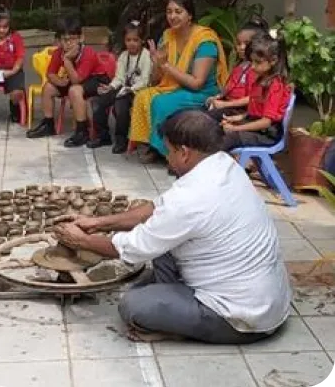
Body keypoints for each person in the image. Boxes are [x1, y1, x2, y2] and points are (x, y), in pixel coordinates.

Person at [54, 110, 291, 344]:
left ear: (185, 153)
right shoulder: (224, 166)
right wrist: (98, 223)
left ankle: (182, 327)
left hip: (242, 318)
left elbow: (132, 248)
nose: (167, 158)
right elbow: (157, 209)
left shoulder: (192, 198)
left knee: (134, 305)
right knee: (162, 245)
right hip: (268, 301)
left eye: (169, 151)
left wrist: (81, 241)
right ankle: (176, 303)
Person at [129, 0, 229, 164]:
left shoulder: (204, 41)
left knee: (161, 102)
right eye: (169, 12)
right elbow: (156, 80)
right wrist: (157, 64)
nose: (172, 16)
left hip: (203, 92)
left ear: (189, 15)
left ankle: (165, 151)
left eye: (178, 11)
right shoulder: (168, 36)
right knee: (143, 96)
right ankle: (152, 144)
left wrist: (166, 65)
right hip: (175, 87)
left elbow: (197, 83)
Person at [26, 16, 110, 145]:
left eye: (73, 39)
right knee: (48, 87)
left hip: (96, 79)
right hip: (74, 79)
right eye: (65, 40)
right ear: (59, 41)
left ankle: (82, 131)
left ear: (81, 38)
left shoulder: (88, 53)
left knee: (74, 90)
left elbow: (77, 80)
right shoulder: (58, 52)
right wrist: (60, 82)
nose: (69, 43)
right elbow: (50, 74)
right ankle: (48, 124)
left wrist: (67, 60)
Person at [88, 20, 152, 153]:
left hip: (138, 91)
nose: (132, 43)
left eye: (135, 40)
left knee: (120, 105)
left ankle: (121, 138)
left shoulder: (146, 56)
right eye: (128, 40)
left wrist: (130, 89)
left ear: (142, 41)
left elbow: (145, 80)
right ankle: (103, 135)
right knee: (98, 102)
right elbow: (119, 78)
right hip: (123, 88)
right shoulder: (124, 56)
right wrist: (110, 87)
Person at [221, 31, 292, 151]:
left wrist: (236, 129)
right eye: (252, 61)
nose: (252, 66)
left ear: (273, 60)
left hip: (267, 134)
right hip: (257, 126)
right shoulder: (261, 79)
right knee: (218, 129)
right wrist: (237, 119)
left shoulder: (276, 86)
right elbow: (256, 112)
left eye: (258, 62)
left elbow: (266, 122)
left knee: (228, 139)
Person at [206, 17, 268, 120]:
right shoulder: (240, 66)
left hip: (241, 112)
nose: (242, 47)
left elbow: (254, 98)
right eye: (239, 44)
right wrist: (218, 97)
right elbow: (230, 88)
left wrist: (225, 105)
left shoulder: (258, 69)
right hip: (229, 105)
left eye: (247, 43)